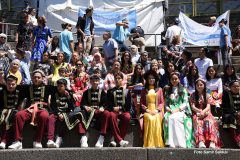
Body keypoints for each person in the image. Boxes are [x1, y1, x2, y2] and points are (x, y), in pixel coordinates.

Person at [8, 70, 55, 149]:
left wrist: (70, 93)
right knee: (18, 115)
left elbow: (61, 88)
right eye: (34, 77)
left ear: (42, 78)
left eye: (38, 77)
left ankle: (38, 141)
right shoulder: (26, 88)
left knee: (44, 116)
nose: (36, 79)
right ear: (32, 78)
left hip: (42, 109)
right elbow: (12, 86)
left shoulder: (48, 87)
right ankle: (17, 141)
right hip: (30, 109)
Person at [76, 74, 110, 148]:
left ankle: (102, 137)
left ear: (99, 82)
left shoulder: (103, 92)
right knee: (80, 114)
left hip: (98, 113)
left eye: (96, 81)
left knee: (107, 113)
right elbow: (82, 104)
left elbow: (106, 104)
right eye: (93, 81)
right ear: (90, 82)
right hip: (88, 113)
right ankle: (83, 137)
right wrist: (85, 107)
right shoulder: (86, 92)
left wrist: (103, 108)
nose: (95, 82)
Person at [163, 72, 194, 148]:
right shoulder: (168, 90)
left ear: (179, 80)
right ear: (170, 80)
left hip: (181, 110)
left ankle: (180, 142)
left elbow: (186, 103)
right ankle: (171, 143)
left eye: (176, 79)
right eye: (172, 79)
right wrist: (169, 110)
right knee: (167, 118)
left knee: (175, 118)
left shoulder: (183, 89)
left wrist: (177, 110)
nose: (174, 80)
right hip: (171, 110)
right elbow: (166, 103)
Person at [190, 78, 221, 148]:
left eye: (201, 85)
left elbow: (208, 106)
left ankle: (212, 141)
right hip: (197, 113)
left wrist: (203, 112)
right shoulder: (193, 95)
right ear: (195, 86)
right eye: (197, 85)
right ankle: (200, 141)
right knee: (198, 122)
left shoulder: (207, 95)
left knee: (209, 121)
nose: (199, 86)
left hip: (206, 113)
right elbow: (192, 106)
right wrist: (199, 111)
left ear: (204, 85)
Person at [47, 78, 75, 148]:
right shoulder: (54, 94)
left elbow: (72, 107)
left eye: (61, 86)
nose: (59, 88)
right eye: (58, 86)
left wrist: (69, 97)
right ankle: (50, 139)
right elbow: (53, 105)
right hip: (57, 113)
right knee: (50, 118)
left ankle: (59, 138)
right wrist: (59, 113)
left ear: (65, 86)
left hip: (67, 113)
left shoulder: (70, 93)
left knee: (68, 118)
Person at [140, 70, 164, 147]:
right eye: (149, 78)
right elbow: (142, 103)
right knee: (149, 118)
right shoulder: (144, 90)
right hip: (147, 110)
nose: (151, 80)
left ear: (155, 79)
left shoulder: (159, 89)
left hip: (157, 110)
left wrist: (157, 110)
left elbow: (162, 102)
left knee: (156, 118)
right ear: (147, 80)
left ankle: (157, 143)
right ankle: (149, 143)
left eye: (153, 78)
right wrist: (147, 110)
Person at [107, 72, 131, 147]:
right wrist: (113, 108)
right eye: (116, 78)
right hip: (113, 111)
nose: (117, 80)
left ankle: (116, 140)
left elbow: (128, 105)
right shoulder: (110, 91)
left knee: (127, 117)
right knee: (111, 115)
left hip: (123, 111)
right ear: (114, 80)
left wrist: (120, 108)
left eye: (119, 78)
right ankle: (120, 140)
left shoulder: (127, 91)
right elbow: (108, 104)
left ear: (122, 79)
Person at [0, 75, 23, 149]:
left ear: (16, 84)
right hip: (3, 111)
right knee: (3, 117)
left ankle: (4, 141)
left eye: (13, 84)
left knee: (8, 118)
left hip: (15, 111)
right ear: (5, 84)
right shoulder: (1, 92)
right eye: (9, 84)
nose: (11, 86)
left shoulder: (20, 92)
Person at [222, 80, 240, 147]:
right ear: (230, 87)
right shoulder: (227, 93)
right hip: (229, 113)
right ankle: (237, 140)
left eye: (238, 86)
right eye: (234, 86)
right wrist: (235, 113)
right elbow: (225, 107)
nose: (236, 88)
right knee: (231, 118)